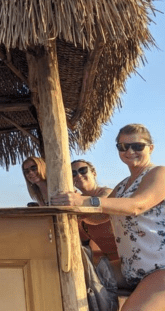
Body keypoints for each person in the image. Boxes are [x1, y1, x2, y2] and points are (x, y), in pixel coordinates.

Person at [52, 124, 165, 311]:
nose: (130, 151)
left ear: (150, 148)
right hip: (130, 268)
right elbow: (100, 216)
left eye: (137, 146)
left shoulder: (159, 173)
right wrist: (65, 210)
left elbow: (137, 205)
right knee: (70, 276)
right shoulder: (122, 186)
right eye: (123, 146)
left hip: (160, 268)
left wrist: (84, 200)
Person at [72, 159, 119, 261]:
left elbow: (98, 205)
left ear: (94, 173)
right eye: (73, 173)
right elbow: (84, 239)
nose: (79, 175)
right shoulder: (77, 203)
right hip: (107, 259)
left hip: (128, 255)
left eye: (83, 170)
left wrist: (74, 202)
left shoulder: (107, 193)